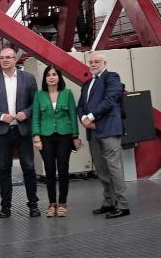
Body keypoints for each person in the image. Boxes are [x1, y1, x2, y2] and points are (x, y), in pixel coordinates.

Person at [0, 47, 41, 218]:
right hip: (3, 131)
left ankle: (33, 205)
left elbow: (35, 102)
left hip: (23, 131)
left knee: (29, 168)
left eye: (8, 57)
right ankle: (5, 207)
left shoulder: (28, 78)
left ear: (16, 60)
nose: (5, 60)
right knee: (4, 169)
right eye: (2, 58)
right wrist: (0, 116)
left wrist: (26, 113)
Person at [78, 51, 129, 218]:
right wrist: (84, 118)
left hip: (109, 128)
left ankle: (122, 205)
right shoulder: (86, 84)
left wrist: (91, 116)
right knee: (101, 169)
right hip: (93, 131)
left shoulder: (112, 77)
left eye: (97, 62)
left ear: (104, 63)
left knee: (114, 168)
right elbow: (80, 106)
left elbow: (111, 98)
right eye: (91, 62)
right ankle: (109, 202)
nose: (93, 64)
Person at [32, 65, 81, 217]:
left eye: (54, 74)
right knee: (50, 170)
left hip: (64, 136)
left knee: (63, 169)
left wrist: (75, 136)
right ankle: (52, 203)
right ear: (45, 78)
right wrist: (36, 136)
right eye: (48, 75)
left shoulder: (67, 93)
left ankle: (63, 203)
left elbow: (73, 115)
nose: (51, 77)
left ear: (59, 77)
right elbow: (35, 117)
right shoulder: (39, 95)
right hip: (45, 137)